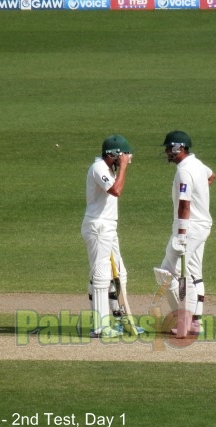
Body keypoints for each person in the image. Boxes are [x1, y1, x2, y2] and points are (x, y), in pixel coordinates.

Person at [154, 130, 216, 336]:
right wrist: (200, 193)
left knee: (167, 273)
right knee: (193, 273)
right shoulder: (197, 164)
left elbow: (184, 205)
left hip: (188, 228)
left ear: (177, 148)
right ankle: (195, 323)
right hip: (202, 226)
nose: (166, 152)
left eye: (168, 148)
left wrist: (180, 234)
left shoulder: (184, 171)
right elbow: (211, 176)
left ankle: (183, 320)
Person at [81, 134, 137, 338]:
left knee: (120, 272)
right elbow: (116, 191)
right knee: (101, 275)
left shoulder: (108, 169)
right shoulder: (99, 168)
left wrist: (120, 167)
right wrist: (122, 167)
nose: (128, 159)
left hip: (109, 227)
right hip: (98, 227)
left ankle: (121, 320)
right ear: (114, 155)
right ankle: (99, 327)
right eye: (125, 155)